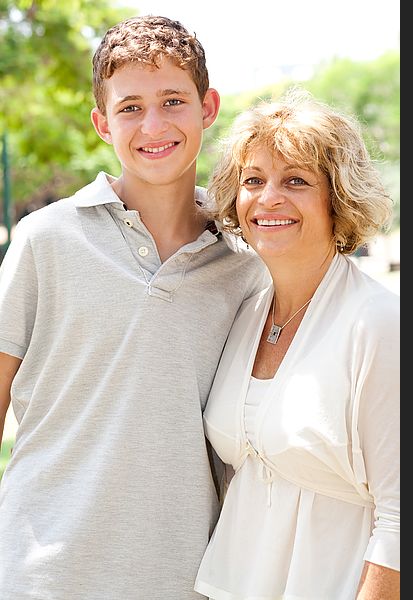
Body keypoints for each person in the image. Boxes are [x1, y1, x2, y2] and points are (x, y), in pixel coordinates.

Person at [0, 15, 266, 600]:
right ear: (101, 123)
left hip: (188, 580)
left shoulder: (246, 267)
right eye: (129, 107)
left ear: (208, 106)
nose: (154, 124)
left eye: (173, 100)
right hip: (42, 575)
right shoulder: (44, 239)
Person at [194, 90, 400, 599]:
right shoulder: (247, 312)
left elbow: (406, 514)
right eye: (253, 181)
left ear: (338, 198)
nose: (269, 199)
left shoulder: (376, 322)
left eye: (296, 181)